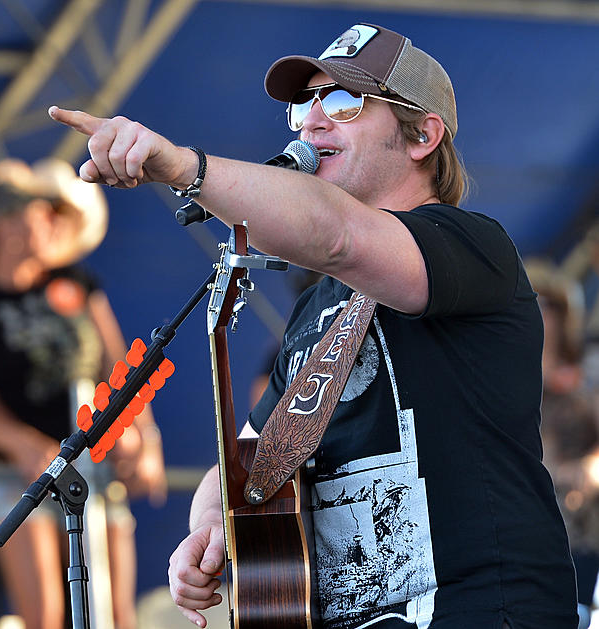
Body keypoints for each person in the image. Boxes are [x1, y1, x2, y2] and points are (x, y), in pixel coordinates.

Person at [51, 22, 577, 629]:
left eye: (345, 102)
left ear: (423, 136)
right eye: (305, 104)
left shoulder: (473, 246)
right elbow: (245, 462)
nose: (311, 121)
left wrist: (182, 166)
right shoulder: (319, 307)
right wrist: (208, 534)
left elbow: (338, 234)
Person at [0, 158, 167, 629]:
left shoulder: (76, 284)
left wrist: (145, 438)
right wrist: (21, 442)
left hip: (95, 466)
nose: (54, 223)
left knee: (113, 614)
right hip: (21, 473)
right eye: (44, 211)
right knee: (45, 615)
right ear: (6, 225)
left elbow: (122, 369)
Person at [527, 259, 599, 628]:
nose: (539, 312)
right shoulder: (501, 379)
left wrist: (587, 468)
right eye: (530, 300)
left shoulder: (588, 374)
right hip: (521, 531)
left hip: (579, 527)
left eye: (548, 303)